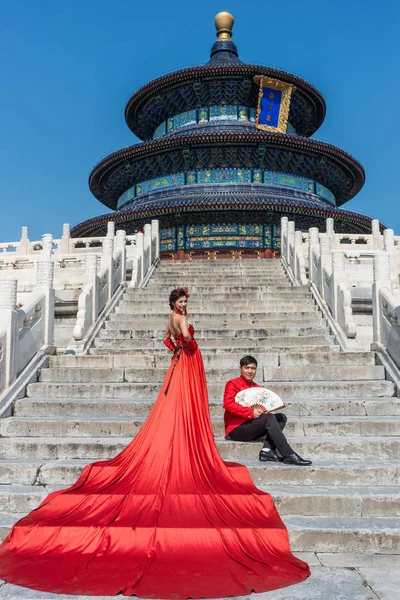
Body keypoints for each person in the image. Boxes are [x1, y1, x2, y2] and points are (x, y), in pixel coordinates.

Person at [0, 289, 310, 598]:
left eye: (186, 302)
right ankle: (274, 451)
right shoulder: (178, 318)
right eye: (181, 302)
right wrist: (185, 341)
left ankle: (271, 450)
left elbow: (167, 339)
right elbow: (183, 339)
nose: (184, 305)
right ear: (173, 303)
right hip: (188, 360)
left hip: (185, 360)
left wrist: (177, 343)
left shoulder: (176, 318)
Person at [224, 355, 312, 466]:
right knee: (270, 417)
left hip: (251, 426)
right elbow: (228, 404)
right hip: (236, 429)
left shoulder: (257, 387)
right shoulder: (233, 384)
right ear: (241, 369)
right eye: (247, 368)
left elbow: (262, 408)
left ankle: (266, 451)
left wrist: (274, 407)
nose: (250, 371)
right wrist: (251, 412)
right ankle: (289, 454)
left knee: (280, 417)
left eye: (253, 368)